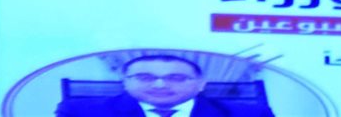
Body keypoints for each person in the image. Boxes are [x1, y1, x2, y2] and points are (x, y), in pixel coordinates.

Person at [54, 54, 273, 117]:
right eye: (145, 77)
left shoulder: (251, 114)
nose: (160, 85)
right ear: (125, 81)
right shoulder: (80, 111)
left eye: (176, 78)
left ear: (200, 84)